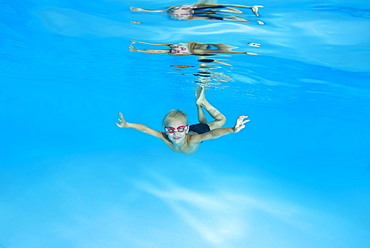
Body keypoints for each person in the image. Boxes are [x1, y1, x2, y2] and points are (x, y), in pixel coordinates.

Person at [116, 86, 250, 154]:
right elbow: (145, 129)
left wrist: (232, 129)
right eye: (171, 130)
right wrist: (127, 124)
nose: (175, 134)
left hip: (197, 132)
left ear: (185, 129)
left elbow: (212, 135)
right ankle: (199, 104)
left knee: (221, 120)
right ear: (166, 130)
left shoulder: (191, 140)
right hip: (192, 129)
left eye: (179, 129)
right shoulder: (166, 137)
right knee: (203, 123)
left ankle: (203, 103)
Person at [130, 2, 263, 23]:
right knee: (217, 13)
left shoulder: (169, 10)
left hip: (190, 11)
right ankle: (249, 14)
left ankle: (249, 11)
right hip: (190, 13)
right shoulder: (169, 10)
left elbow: (155, 11)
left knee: (217, 12)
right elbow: (155, 11)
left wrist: (140, 11)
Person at [130, 41, 257, 55]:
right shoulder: (194, 49)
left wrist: (139, 47)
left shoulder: (194, 49)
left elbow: (158, 48)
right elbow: (157, 48)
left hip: (188, 51)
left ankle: (245, 50)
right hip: (188, 51)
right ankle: (245, 50)